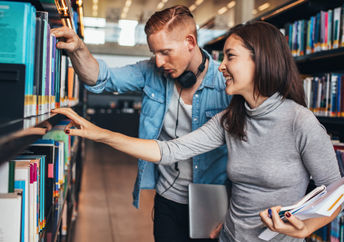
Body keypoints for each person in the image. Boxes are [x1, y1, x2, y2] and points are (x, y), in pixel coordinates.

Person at [54, 20, 342, 241]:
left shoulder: (299, 122)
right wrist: (98, 133)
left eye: (231, 57)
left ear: (260, 60)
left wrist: (306, 227)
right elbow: (169, 150)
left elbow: (336, 190)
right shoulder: (232, 118)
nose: (222, 67)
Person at [51, 5, 231, 242]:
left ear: (190, 41)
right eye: (154, 52)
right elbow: (100, 78)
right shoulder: (150, 72)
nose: (158, 62)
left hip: (213, 203)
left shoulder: (226, 84)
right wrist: (79, 50)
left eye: (165, 52)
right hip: (167, 198)